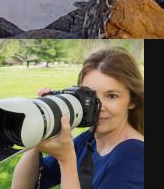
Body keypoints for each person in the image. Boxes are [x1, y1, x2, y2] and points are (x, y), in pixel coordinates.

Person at [11, 47, 144, 189]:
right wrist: (42, 127)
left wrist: (66, 160)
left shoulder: (135, 156)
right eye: (90, 96)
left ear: (132, 101)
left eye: (111, 96)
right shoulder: (89, 140)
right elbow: (23, 186)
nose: (98, 107)